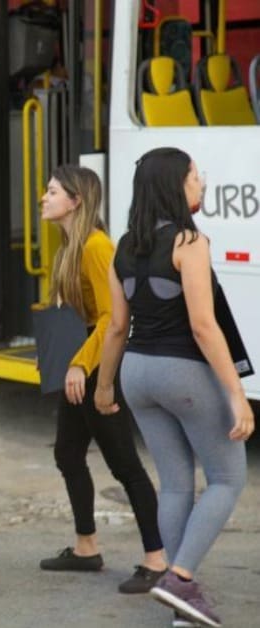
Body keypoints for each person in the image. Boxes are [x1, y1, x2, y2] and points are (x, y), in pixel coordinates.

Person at [94, 147, 252, 628]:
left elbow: (117, 328)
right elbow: (205, 327)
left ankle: (182, 600)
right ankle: (180, 578)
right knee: (227, 479)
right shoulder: (189, 242)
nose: (200, 184)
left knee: (177, 483)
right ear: (174, 186)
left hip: (137, 372)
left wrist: (105, 387)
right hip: (181, 371)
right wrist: (237, 394)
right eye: (194, 176)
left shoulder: (122, 245)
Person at [36, 164, 167, 594]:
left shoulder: (95, 246)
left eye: (52, 191)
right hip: (83, 361)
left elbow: (113, 317)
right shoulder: (69, 246)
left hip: (100, 363)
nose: (43, 197)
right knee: (68, 453)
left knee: (124, 463)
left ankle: (157, 559)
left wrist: (80, 364)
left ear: (76, 200)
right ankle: (86, 547)